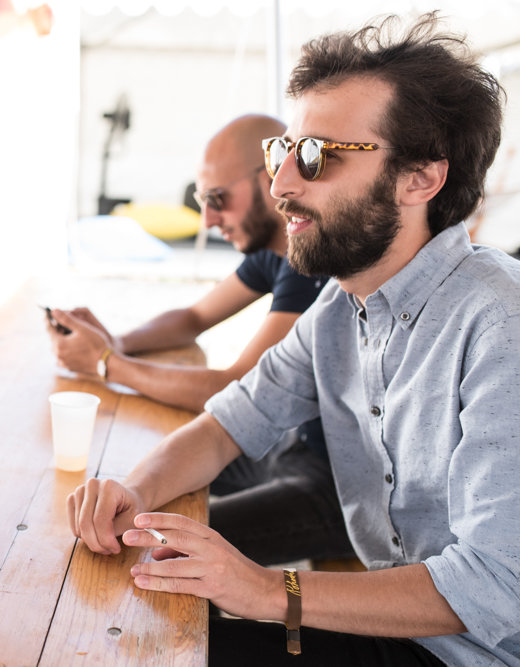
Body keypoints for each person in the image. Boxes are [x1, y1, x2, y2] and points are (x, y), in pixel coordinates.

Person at [68, 13, 518, 666]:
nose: (280, 185)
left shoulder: (499, 320)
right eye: (285, 153)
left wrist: (267, 588)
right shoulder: (340, 307)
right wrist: (132, 493)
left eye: (316, 156)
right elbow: (228, 422)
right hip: (401, 634)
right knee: (141, 639)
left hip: (470, 654)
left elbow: (495, 586)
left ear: (420, 178)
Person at [48, 114, 354, 566]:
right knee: (145, 485)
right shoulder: (276, 253)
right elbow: (193, 318)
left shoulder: (311, 266)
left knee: (157, 550)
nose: (208, 219)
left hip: (338, 486)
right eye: (202, 200)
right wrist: (116, 341)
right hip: (290, 445)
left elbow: (231, 386)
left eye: (217, 199)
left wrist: (109, 363)